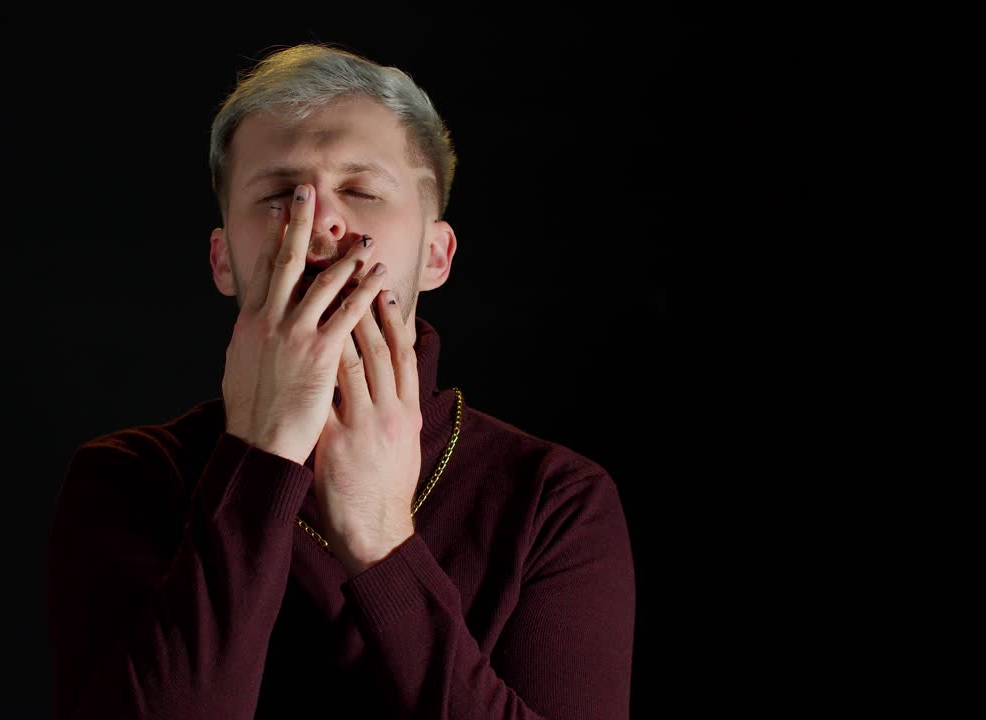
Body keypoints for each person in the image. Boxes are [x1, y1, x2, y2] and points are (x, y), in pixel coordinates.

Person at [46, 43, 635, 720]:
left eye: (360, 190)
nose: (320, 220)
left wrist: (381, 541)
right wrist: (261, 456)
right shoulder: (129, 479)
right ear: (223, 262)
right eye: (277, 195)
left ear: (436, 255)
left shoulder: (554, 500)